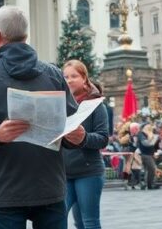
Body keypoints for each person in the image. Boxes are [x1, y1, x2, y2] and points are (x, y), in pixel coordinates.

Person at [0, 6, 85, 229]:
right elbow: (71, 126)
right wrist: (78, 136)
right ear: (26, 36)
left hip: (6, 188)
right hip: (50, 186)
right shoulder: (53, 74)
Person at [62, 59, 109, 229]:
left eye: (74, 76)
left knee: (88, 221)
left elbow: (103, 138)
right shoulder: (60, 103)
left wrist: (84, 138)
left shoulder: (95, 104)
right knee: (61, 218)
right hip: (63, 173)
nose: (69, 80)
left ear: (84, 78)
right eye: (65, 76)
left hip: (89, 171)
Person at [136, 123, 161, 190]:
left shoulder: (148, 134)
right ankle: (150, 185)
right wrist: (153, 139)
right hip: (145, 154)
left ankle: (147, 184)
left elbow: (155, 145)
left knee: (148, 170)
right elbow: (146, 144)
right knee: (152, 169)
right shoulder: (141, 134)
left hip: (149, 154)